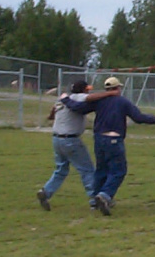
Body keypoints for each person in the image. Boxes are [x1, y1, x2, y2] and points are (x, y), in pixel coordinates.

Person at [60, 76, 155, 216]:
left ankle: (95, 201)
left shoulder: (99, 101)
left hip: (99, 139)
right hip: (114, 139)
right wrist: (154, 119)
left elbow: (78, 108)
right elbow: (138, 117)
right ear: (118, 88)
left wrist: (65, 99)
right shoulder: (122, 101)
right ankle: (105, 195)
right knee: (118, 170)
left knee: (101, 170)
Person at [36, 80, 118, 211]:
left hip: (57, 139)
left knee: (61, 170)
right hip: (71, 140)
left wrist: (53, 116)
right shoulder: (78, 97)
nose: (89, 91)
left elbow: (52, 113)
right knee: (87, 170)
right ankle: (95, 200)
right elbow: (91, 97)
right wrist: (110, 93)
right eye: (87, 89)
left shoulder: (62, 99)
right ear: (83, 90)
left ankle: (46, 191)